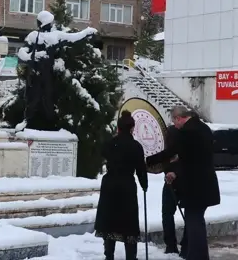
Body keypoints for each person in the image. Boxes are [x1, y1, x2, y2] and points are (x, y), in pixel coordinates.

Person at [147, 110, 219, 260]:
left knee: (194, 222)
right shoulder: (203, 128)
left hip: (195, 185)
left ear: (179, 118)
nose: (175, 125)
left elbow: (171, 152)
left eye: (175, 122)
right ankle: (198, 255)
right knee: (197, 219)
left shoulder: (187, 132)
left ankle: (197, 256)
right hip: (206, 183)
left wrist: (148, 160)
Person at [94, 110, 148, 260]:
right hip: (127, 186)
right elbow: (141, 170)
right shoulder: (136, 146)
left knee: (110, 221)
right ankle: (131, 256)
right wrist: (144, 185)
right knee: (128, 223)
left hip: (110, 185)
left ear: (118, 128)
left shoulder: (111, 144)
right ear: (132, 128)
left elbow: (102, 152)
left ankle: (109, 255)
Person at [161, 107, 185, 256]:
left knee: (167, 213)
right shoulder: (185, 133)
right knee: (186, 212)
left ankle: (171, 245)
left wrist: (170, 170)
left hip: (175, 178)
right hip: (181, 177)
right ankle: (181, 244)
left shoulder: (172, 133)